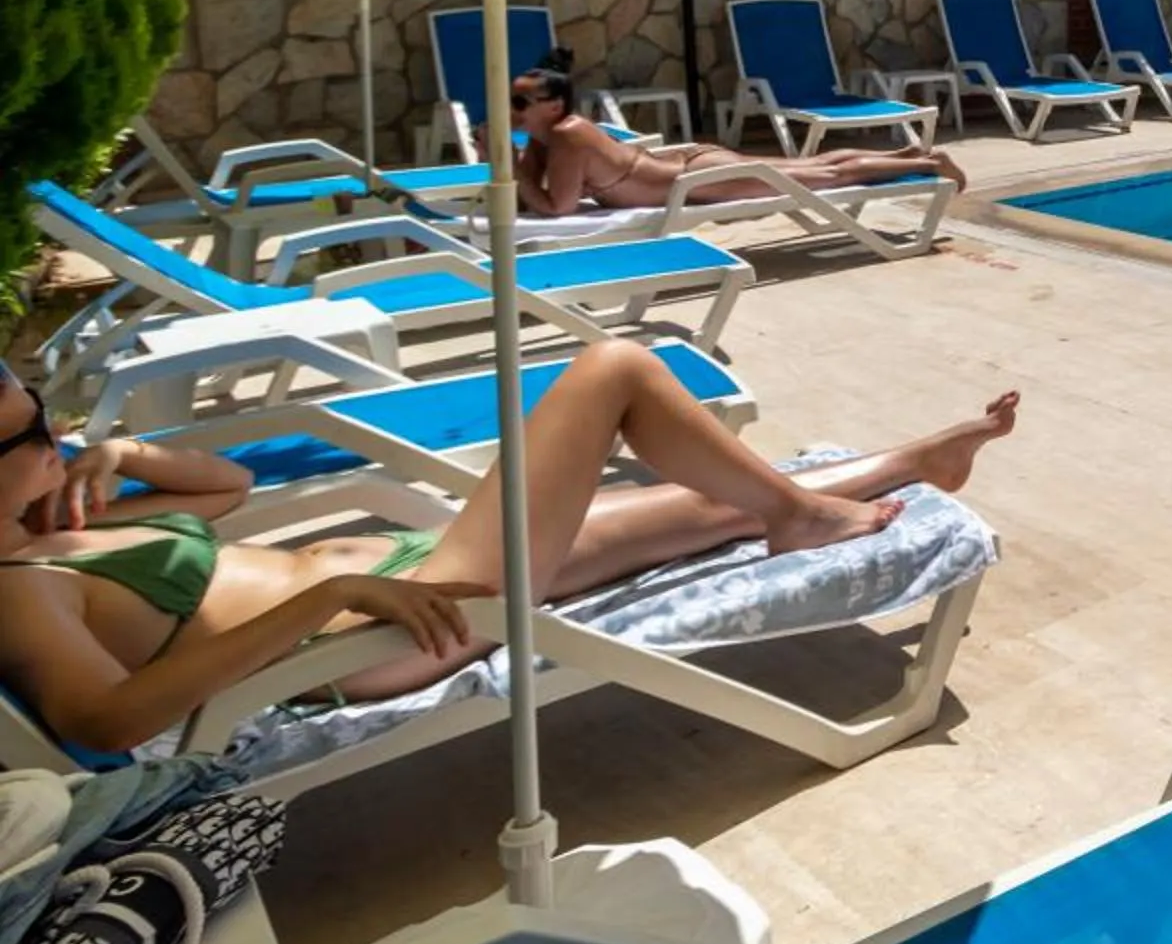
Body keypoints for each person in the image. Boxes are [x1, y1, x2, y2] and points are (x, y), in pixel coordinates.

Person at [0, 344, 1017, 755]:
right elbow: (108, 717)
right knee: (613, 369)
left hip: (405, 575)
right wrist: (324, 602)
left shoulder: (58, 528)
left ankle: (905, 461)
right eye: (33, 429)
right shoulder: (18, 592)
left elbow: (229, 489)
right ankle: (804, 508)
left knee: (700, 504)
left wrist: (128, 451)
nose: (56, 432)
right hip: (388, 628)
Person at [504, 51, 964, 217]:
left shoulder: (568, 136)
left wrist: (506, 165)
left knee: (827, 178)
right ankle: (908, 151)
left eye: (521, 102)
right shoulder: (552, 138)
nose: (513, 110)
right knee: (814, 166)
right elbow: (536, 193)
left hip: (703, 178)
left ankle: (925, 163)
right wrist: (517, 158)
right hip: (692, 168)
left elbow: (555, 208)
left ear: (555, 105)